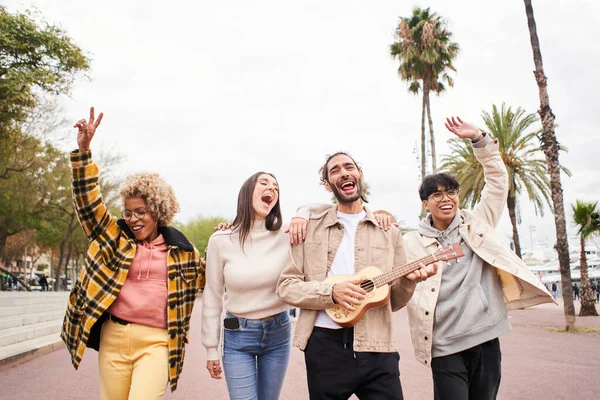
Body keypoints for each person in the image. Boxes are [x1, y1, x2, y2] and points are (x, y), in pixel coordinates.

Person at [403, 116, 555, 400]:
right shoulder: (411, 242)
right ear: (425, 203)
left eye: (451, 192)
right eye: (436, 195)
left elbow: (497, 183)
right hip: (444, 345)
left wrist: (480, 140)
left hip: (485, 336)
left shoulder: (477, 222)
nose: (446, 198)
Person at [61, 107, 205, 399]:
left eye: (141, 211)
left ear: (158, 211)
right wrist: (84, 152)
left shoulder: (184, 251)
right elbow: (88, 202)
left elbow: (212, 277)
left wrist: (227, 234)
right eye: (128, 212)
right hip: (113, 338)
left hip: (157, 341)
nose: (134, 218)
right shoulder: (112, 235)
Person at [276, 151, 436, 400]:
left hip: (378, 346)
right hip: (324, 346)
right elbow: (286, 286)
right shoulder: (309, 227)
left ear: (359, 174)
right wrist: (330, 293)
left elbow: (393, 301)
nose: (343, 172)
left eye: (349, 167)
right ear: (327, 184)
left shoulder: (389, 231)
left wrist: (408, 282)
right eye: (335, 170)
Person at [201, 172, 310, 400]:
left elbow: (325, 212)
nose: (272, 189)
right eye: (264, 183)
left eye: (276, 188)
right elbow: (212, 297)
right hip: (237, 334)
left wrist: (302, 213)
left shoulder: (288, 233)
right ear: (247, 192)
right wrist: (211, 348)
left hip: (278, 332)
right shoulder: (221, 240)